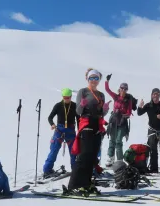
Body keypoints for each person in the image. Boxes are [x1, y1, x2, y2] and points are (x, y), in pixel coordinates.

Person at [64, 68, 110, 196]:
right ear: (87, 79)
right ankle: (74, 185)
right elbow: (78, 112)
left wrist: (105, 110)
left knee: (92, 157)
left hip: (97, 127)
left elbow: (101, 113)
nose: (94, 80)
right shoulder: (83, 92)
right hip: (86, 125)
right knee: (83, 156)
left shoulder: (101, 95)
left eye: (96, 78)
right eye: (91, 78)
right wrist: (82, 105)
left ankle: (86, 183)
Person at [43, 88, 80, 178]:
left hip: (70, 131)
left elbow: (78, 119)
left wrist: (80, 130)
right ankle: (47, 170)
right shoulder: (58, 105)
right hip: (59, 130)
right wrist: (52, 124)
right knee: (54, 149)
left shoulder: (75, 106)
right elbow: (50, 117)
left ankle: (75, 170)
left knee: (74, 151)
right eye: (64, 97)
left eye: (68, 97)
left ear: (71, 96)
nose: (66, 99)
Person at [103, 74, 138, 167]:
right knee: (112, 140)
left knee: (118, 140)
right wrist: (107, 81)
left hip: (122, 122)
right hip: (114, 121)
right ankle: (110, 158)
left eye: (125, 89)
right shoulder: (116, 97)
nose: (123, 90)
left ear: (127, 90)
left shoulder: (128, 99)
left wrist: (123, 115)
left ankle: (119, 160)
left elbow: (129, 112)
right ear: (120, 89)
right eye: (122, 88)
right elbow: (107, 90)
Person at [137, 88, 160, 173]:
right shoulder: (149, 105)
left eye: (157, 94)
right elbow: (139, 113)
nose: (156, 96)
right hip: (152, 130)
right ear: (152, 95)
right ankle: (154, 169)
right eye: (154, 94)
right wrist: (140, 106)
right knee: (153, 150)